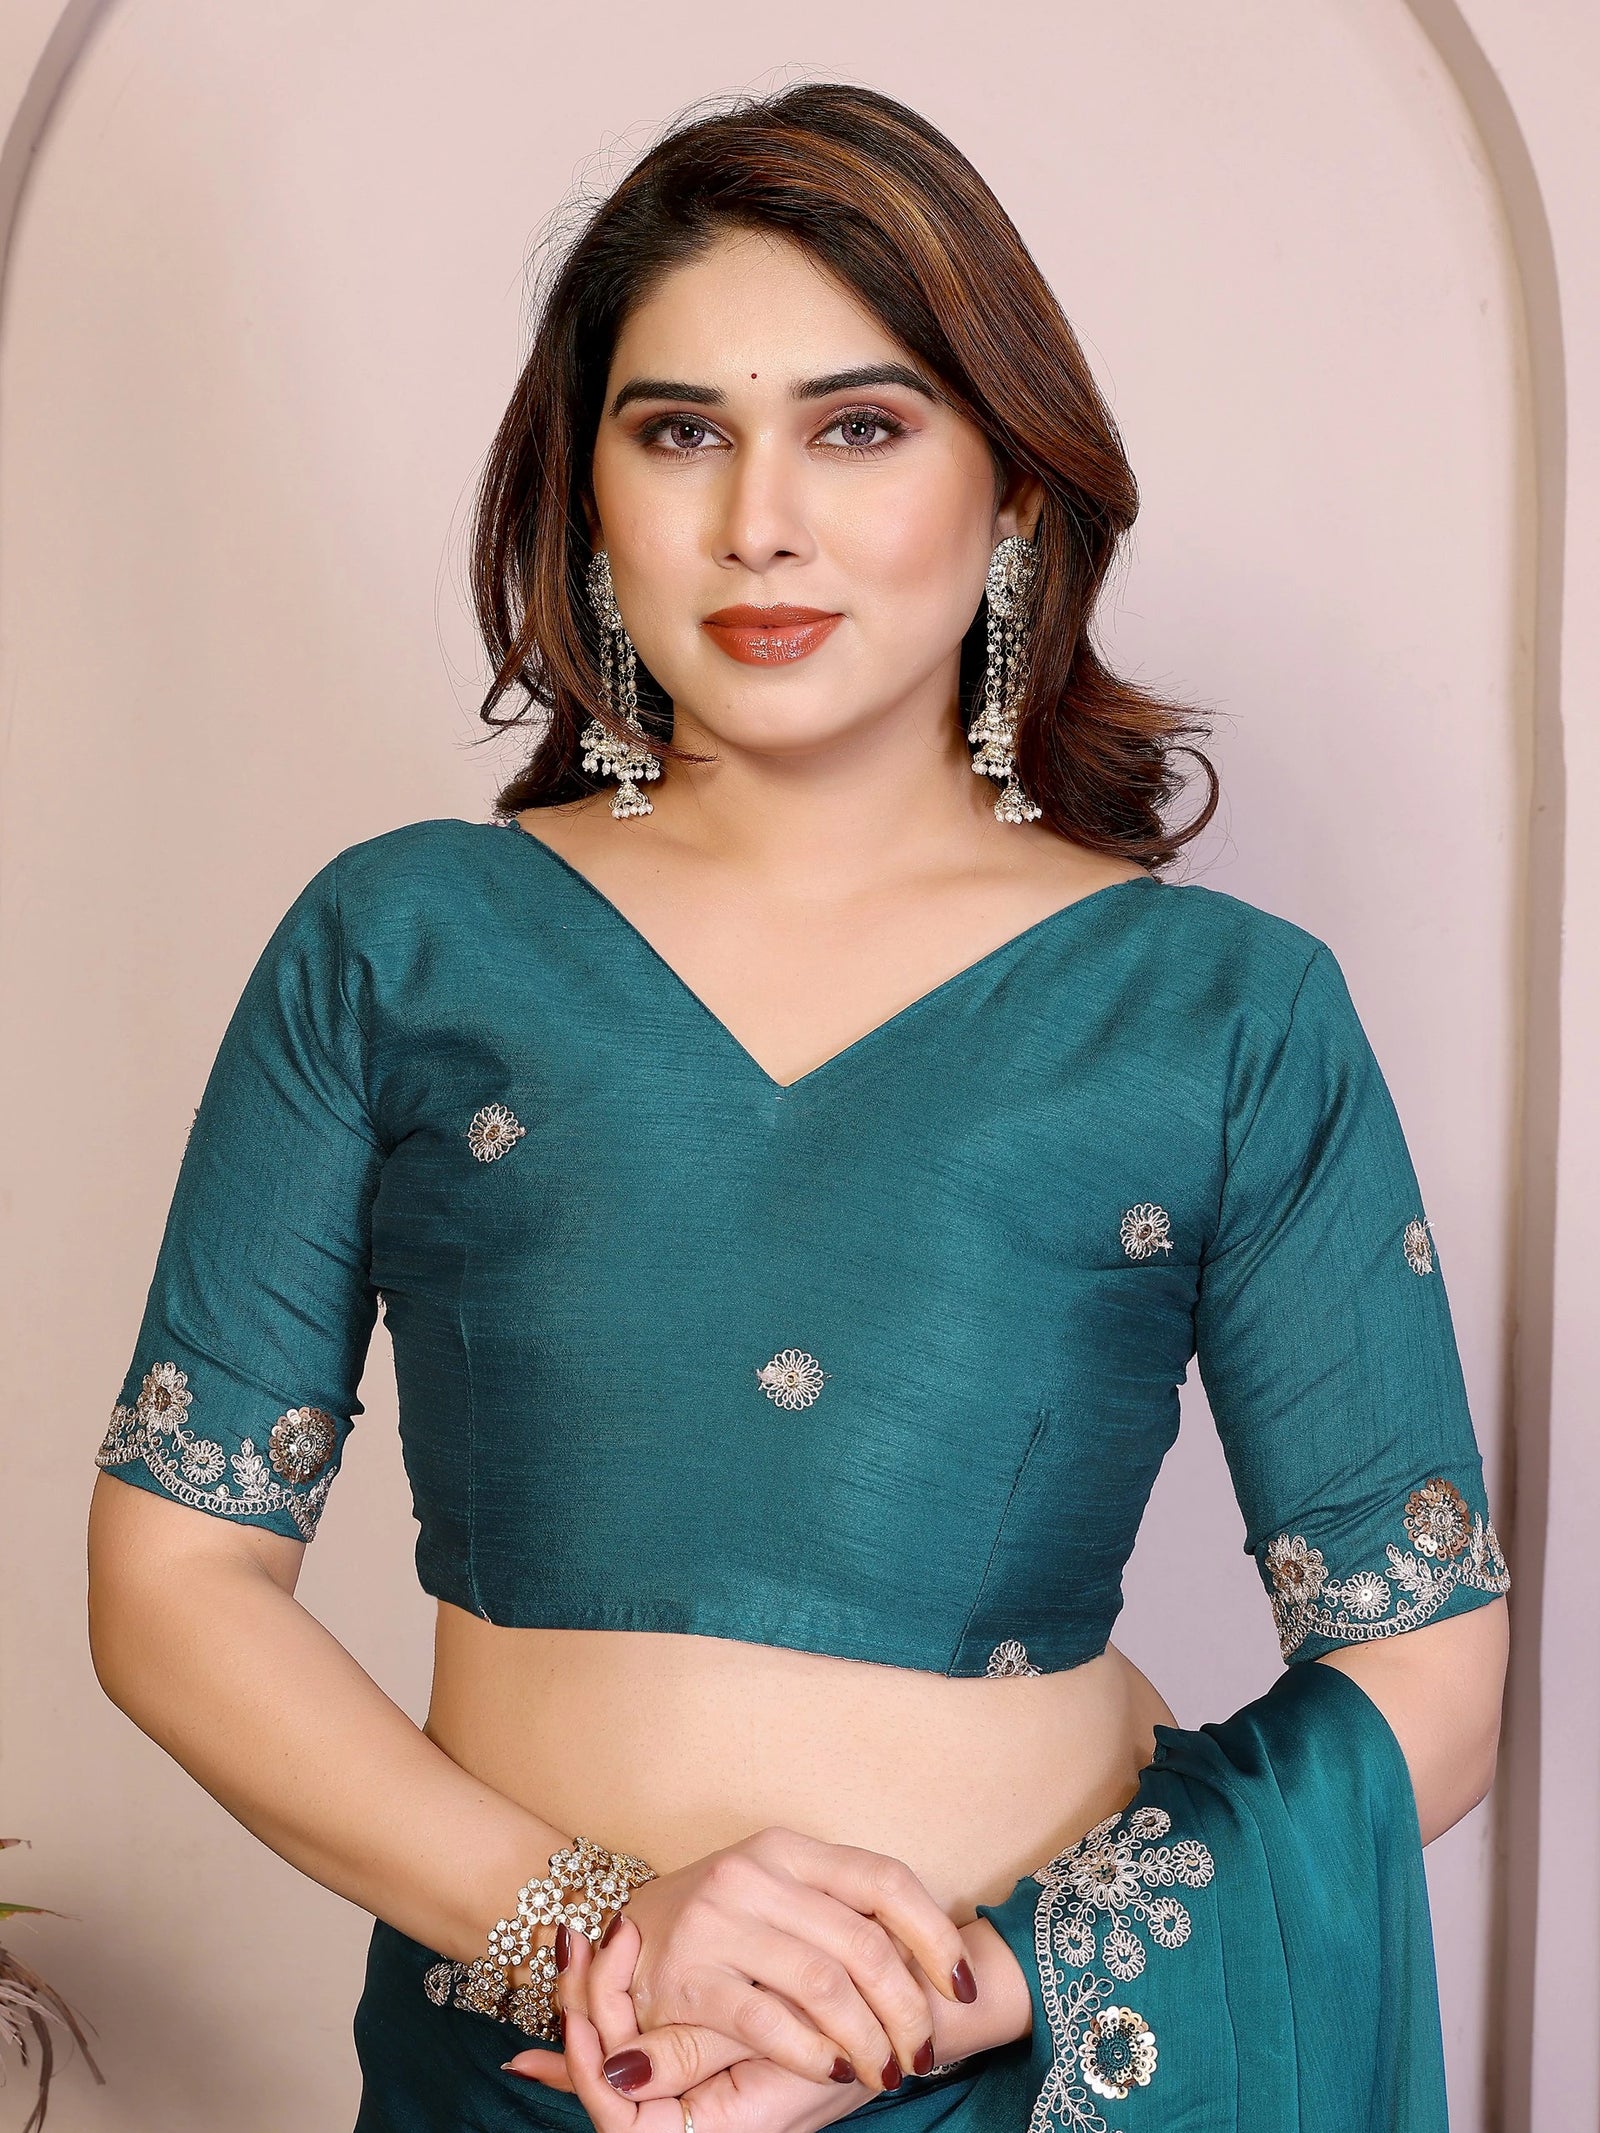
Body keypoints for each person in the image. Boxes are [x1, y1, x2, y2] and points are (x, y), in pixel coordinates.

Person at [85, 81, 1511, 2133]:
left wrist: (970, 1992)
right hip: (536, 2055)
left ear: (1012, 495)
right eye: (679, 431)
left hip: (1017, 2069)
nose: (761, 519)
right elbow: (175, 1580)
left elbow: (1424, 1674)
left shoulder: (1218, 1011)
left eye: (858, 426)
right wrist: (595, 1927)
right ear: (586, 497)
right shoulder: (404, 942)